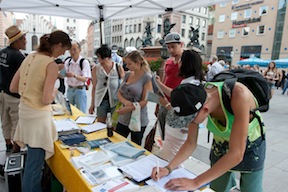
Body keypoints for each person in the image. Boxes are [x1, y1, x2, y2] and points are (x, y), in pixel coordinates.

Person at [151, 81, 266, 192]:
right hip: (221, 143)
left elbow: (236, 154)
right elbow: (191, 142)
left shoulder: (240, 96)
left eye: (189, 121)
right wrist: (168, 168)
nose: (187, 125)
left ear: (205, 110)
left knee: (250, 188)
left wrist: (195, 182)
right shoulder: (195, 101)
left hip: (250, 146)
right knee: (217, 187)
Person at [10, 31, 71, 192]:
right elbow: (46, 99)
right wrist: (54, 89)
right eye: (63, 50)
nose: (63, 54)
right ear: (57, 45)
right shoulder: (50, 64)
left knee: (32, 162)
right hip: (38, 119)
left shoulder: (30, 56)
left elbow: (13, 87)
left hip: (25, 113)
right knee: (34, 167)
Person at [156, 50, 205, 162]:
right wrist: (160, 84)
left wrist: (166, 104)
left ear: (185, 63)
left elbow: (180, 114)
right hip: (187, 131)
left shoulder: (185, 89)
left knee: (169, 159)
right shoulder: (197, 85)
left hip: (176, 132)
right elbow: (175, 93)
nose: (178, 62)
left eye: (180, 60)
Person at [115, 51, 152, 145]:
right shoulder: (128, 75)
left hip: (138, 119)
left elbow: (145, 101)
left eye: (129, 63)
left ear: (138, 63)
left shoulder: (146, 77)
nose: (127, 66)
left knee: (135, 145)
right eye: (126, 63)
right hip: (124, 117)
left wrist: (129, 108)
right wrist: (125, 102)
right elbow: (119, 92)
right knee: (117, 142)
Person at [0, 25, 27, 153]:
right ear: (17, 41)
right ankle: (16, 150)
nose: (26, 41)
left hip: (2, 92)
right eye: (24, 39)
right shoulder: (18, 56)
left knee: (5, 121)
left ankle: (8, 145)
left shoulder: (2, 53)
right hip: (14, 96)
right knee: (17, 123)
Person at [156, 32, 184, 140]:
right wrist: (158, 103)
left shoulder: (186, 61)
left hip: (177, 103)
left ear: (181, 44)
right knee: (163, 132)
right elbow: (165, 79)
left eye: (173, 47)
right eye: (168, 47)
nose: (171, 50)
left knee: (174, 136)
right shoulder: (169, 61)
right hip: (165, 100)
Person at [89, 45, 125, 123]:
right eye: (98, 58)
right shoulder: (96, 69)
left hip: (115, 100)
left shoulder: (118, 67)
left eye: (102, 58)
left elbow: (124, 84)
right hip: (101, 100)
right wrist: (92, 104)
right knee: (100, 123)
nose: (100, 61)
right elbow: (94, 87)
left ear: (109, 57)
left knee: (114, 123)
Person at [64, 42, 91, 113]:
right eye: (70, 50)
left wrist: (74, 75)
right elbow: (63, 74)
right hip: (70, 89)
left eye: (74, 49)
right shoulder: (68, 61)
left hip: (80, 90)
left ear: (79, 50)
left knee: (81, 113)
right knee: (68, 112)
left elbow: (85, 78)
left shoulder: (84, 62)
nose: (72, 52)